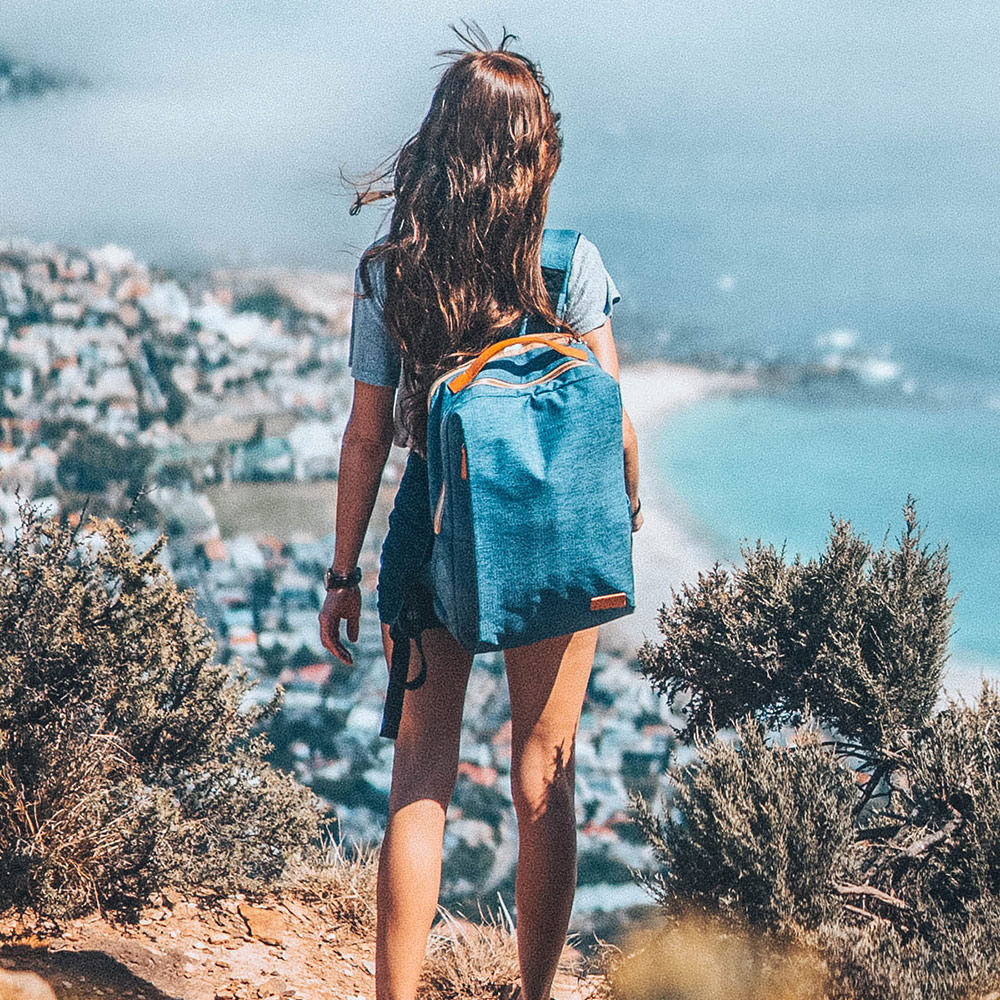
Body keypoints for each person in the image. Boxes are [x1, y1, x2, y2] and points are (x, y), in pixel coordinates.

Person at [318, 28, 641, 1000]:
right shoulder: (568, 264)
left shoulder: (391, 271)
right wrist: (614, 520)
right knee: (542, 774)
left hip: (434, 517)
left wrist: (341, 573)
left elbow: (367, 437)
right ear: (536, 150)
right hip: (552, 520)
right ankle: (535, 995)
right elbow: (614, 419)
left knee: (422, 772)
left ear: (441, 141)